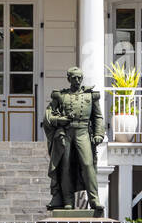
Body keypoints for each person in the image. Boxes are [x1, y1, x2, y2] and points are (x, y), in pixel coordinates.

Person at [42, 66, 105, 211]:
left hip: (83, 132)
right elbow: (48, 116)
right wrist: (60, 120)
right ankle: (68, 201)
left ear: (82, 78)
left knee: (88, 165)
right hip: (67, 133)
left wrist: (98, 134)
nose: (77, 80)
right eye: (74, 77)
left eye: (79, 77)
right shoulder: (60, 96)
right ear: (68, 79)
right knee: (65, 167)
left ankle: (94, 200)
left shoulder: (91, 95)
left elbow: (97, 117)